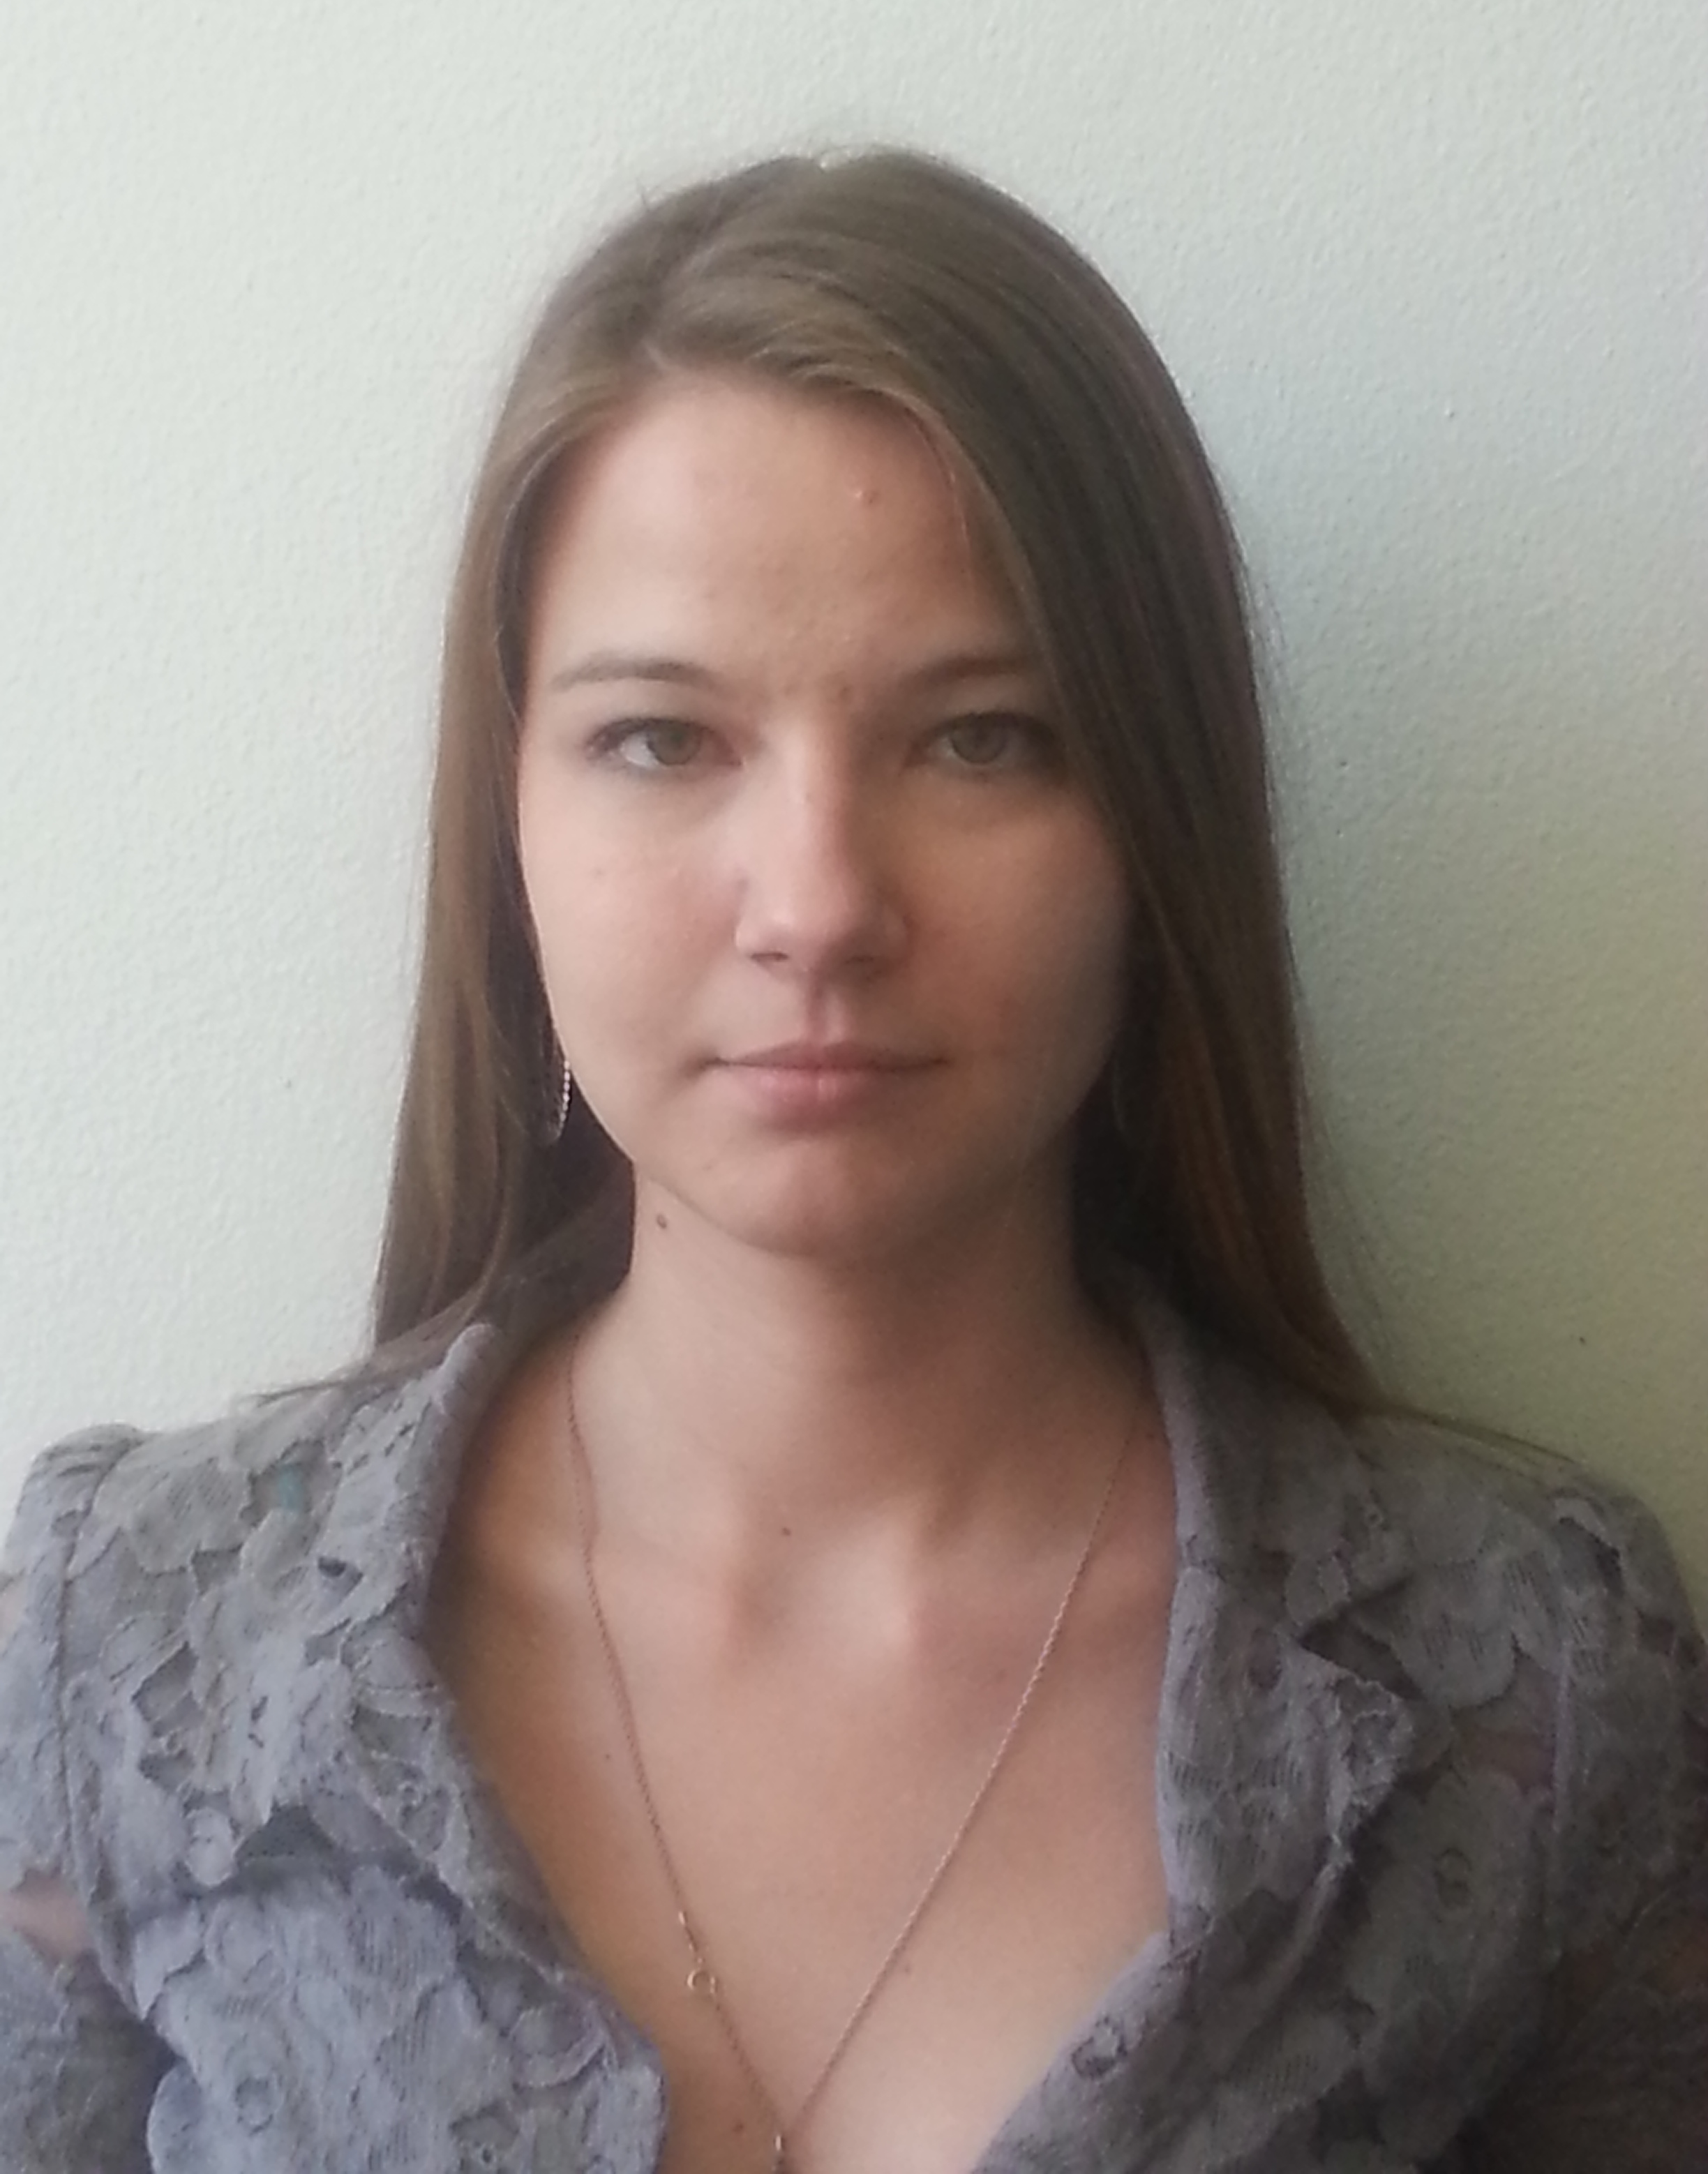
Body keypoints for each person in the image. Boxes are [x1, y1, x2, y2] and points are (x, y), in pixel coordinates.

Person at [1, 149, 1702, 2174]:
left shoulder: (1526, 1683)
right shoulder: (123, 1641)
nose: (815, 904)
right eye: (663, 738)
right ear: (509, 826)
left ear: (1156, 828)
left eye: (981, 737)